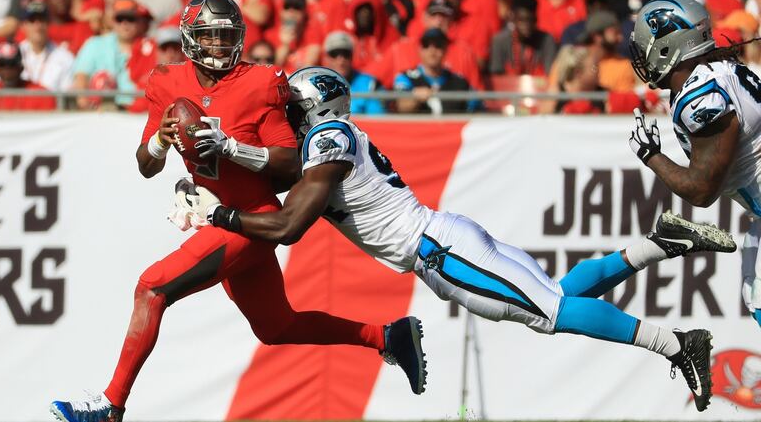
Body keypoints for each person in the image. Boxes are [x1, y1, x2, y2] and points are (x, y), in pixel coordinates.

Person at [180, 66, 738, 413]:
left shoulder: (327, 136)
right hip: (446, 235)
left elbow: (287, 226)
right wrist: (226, 152)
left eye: (292, 109)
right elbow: (279, 171)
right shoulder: (334, 135)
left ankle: (676, 342)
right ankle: (661, 243)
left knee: (551, 312)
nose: (287, 118)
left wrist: (222, 216)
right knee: (557, 294)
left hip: (437, 251)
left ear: (313, 109)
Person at [49, 0, 425, 422]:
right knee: (277, 327)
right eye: (210, 37)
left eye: (227, 36)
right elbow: (145, 165)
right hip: (221, 214)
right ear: (191, 39)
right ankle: (388, 336)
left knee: (151, 289)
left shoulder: (259, 82)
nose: (219, 46)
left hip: (252, 217)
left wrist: (230, 148)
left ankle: (110, 407)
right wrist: (161, 139)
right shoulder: (167, 82)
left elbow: (289, 160)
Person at [628, 0, 761, 330]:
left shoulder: (701, 97)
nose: (642, 57)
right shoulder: (722, 70)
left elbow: (702, 191)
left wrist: (651, 155)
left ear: (666, 48)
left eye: (647, 46)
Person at [394, 28, 478, 114]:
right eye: (426, 45)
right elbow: (401, 106)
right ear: (420, 50)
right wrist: (415, 98)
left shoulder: (460, 82)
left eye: (438, 45)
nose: (432, 50)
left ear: (445, 49)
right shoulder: (406, 77)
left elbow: (476, 111)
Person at [0, 40, 57, 110]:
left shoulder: (40, 95)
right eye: (3, 64)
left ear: (21, 68)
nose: (7, 70)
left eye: (12, 64)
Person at [488, 0, 556, 77]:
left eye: (530, 20)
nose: (526, 25)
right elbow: (496, 77)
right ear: (513, 19)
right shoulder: (500, 41)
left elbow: (550, 76)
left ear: (536, 19)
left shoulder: (547, 40)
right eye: (521, 20)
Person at [321, 30, 385, 115]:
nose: (341, 60)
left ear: (352, 56)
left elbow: (377, 121)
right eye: (334, 54)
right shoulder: (315, 86)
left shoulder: (370, 85)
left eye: (346, 54)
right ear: (326, 58)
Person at [18, 1, 75, 92]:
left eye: (42, 20)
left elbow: (66, 97)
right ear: (23, 26)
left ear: (48, 24)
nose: (38, 26)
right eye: (32, 20)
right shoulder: (14, 54)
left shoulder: (65, 57)